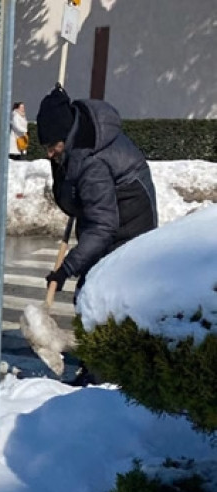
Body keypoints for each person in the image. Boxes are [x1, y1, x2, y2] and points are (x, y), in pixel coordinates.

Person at [36, 83, 158, 383]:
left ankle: (101, 375)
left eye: (53, 146)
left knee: (99, 295)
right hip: (110, 216)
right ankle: (101, 362)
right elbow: (83, 200)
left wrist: (66, 269)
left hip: (130, 224)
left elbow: (103, 226)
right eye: (46, 148)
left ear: (66, 136)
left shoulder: (92, 161)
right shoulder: (75, 144)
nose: (50, 153)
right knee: (94, 291)